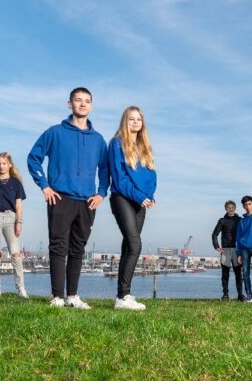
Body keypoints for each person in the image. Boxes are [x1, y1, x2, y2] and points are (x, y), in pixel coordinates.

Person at [27, 87, 109, 309]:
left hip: (87, 202)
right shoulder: (54, 132)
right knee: (58, 247)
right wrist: (44, 186)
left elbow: (105, 170)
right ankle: (57, 297)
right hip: (60, 198)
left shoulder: (99, 140)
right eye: (78, 100)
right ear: (69, 104)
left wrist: (102, 194)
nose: (83, 104)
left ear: (91, 106)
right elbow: (33, 159)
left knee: (78, 249)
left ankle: (73, 296)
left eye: (87, 101)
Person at [108, 106, 157, 311]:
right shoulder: (117, 143)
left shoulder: (144, 146)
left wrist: (149, 196)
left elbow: (151, 176)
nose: (135, 122)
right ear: (124, 121)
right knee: (135, 244)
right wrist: (139, 196)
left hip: (141, 201)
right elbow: (119, 179)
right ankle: (122, 296)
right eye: (131, 119)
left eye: (138, 119)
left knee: (128, 246)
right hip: (122, 198)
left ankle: (123, 294)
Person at [0, 152, 28, 298]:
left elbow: (19, 205)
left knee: (16, 253)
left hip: (11, 218)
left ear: (10, 165)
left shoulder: (16, 183)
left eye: (4, 163)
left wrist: (19, 222)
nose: (1, 166)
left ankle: (21, 289)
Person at [212, 200, 244, 301]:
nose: (230, 209)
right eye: (228, 207)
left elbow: (244, 234)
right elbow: (214, 234)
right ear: (226, 209)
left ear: (235, 208)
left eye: (232, 207)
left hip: (237, 250)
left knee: (238, 274)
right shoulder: (222, 220)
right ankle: (225, 295)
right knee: (225, 274)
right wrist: (217, 246)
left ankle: (240, 295)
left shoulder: (240, 220)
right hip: (225, 249)